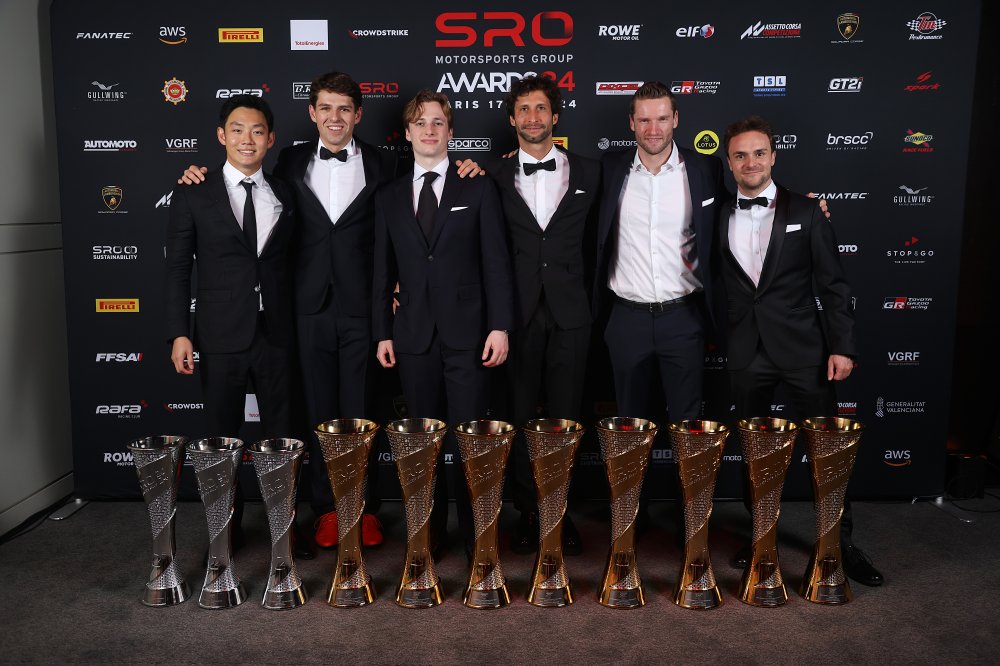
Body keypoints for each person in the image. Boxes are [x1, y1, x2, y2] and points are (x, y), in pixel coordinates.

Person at [178, 72, 482, 555]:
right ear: (312, 113)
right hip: (304, 309)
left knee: (362, 412)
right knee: (317, 414)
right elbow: (239, 181)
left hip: (366, 308)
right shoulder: (288, 161)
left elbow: (424, 199)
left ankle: (362, 510)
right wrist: (199, 174)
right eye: (326, 108)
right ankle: (324, 508)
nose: (335, 117)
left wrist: (470, 165)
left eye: (344, 109)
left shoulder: (387, 163)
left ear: (358, 115)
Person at [718, 115, 883, 586]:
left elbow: (834, 285)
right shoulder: (717, 213)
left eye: (759, 153)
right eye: (740, 155)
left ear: (774, 156)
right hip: (746, 352)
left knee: (827, 452)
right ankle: (760, 538)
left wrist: (842, 347)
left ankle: (838, 544)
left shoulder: (808, 211)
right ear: (729, 162)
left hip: (805, 351)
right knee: (756, 455)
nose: (751, 162)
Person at [373, 90, 514, 558]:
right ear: (407, 133)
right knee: (421, 446)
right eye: (420, 123)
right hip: (412, 336)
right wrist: (382, 331)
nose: (429, 130)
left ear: (451, 132)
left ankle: (478, 538)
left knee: (471, 444)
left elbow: (496, 262)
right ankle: (426, 536)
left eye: (437, 122)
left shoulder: (477, 186)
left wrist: (500, 326)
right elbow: (381, 272)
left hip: (469, 336)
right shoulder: (389, 196)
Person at [165, 95, 295, 548]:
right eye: (237, 130)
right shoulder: (193, 192)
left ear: (270, 139)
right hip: (220, 334)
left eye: (257, 131)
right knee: (221, 441)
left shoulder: (285, 192)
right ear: (222, 136)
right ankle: (225, 532)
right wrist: (178, 333)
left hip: (278, 333)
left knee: (283, 439)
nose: (247, 139)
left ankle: (284, 530)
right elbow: (177, 269)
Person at [496, 75, 598, 555]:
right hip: (516, 315)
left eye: (541, 108)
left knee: (567, 418)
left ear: (555, 116)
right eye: (524, 109)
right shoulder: (491, 176)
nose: (532, 117)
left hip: (572, 312)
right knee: (518, 418)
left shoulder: (592, 172)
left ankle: (560, 511)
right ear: (511, 118)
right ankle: (527, 510)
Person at [594, 81, 725, 428]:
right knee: (628, 426)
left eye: (662, 119)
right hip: (626, 319)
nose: (653, 129)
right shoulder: (608, 169)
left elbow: (741, 205)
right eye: (644, 120)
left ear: (676, 119)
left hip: (684, 318)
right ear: (631, 123)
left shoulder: (706, 169)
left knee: (688, 426)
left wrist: (798, 205)